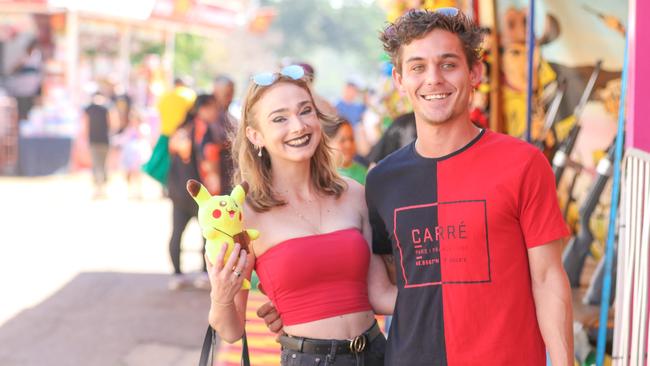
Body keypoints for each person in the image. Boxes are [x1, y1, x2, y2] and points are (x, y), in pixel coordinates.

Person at [261, 9, 573, 366]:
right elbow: (381, 283)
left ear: (475, 73)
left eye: (448, 64)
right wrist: (297, 298)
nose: (433, 80)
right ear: (399, 79)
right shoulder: (382, 181)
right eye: (418, 67)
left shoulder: (523, 164)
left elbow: (549, 279)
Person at [205, 64, 396, 365]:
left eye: (305, 111)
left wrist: (452, 294)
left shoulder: (355, 193)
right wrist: (221, 294)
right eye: (279, 118)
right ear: (256, 135)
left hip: (377, 352)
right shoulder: (243, 215)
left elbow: (381, 294)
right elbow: (230, 329)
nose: (298, 126)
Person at [166, 94, 222, 290]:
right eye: (213, 107)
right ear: (204, 108)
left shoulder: (181, 129)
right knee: (208, 233)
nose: (216, 112)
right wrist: (215, 188)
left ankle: (177, 274)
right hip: (199, 193)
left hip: (177, 190)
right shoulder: (203, 129)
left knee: (177, 232)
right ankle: (204, 273)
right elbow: (209, 158)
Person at [142, 77, 196, 187]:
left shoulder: (165, 96)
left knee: (162, 164)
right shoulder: (190, 95)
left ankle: (167, 186)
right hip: (182, 136)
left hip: (166, 133)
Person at [83, 92, 116, 198]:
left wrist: (85, 137)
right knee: (103, 164)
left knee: (97, 165)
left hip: (93, 140)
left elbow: (86, 124)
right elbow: (113, 123)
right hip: (105, 139)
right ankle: (102, 189)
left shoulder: (89, 108)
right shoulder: (107, 107)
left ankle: (99, 189)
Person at [324, 119, 367, 185]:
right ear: (327, 144)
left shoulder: (363, 173)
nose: (348, 145)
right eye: (342, 140)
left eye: (351, 139)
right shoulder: (323, 177)